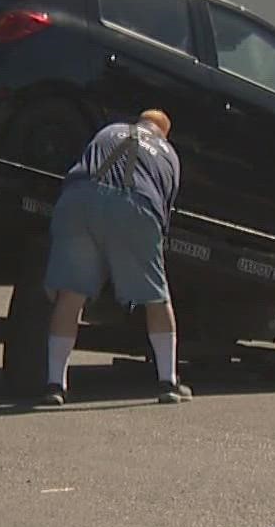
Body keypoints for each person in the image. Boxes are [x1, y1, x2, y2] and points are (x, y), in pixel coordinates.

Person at [40, 109, 192, 406]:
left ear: (139, 122)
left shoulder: (110, 131)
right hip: (133, 206)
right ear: (164, 132)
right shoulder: (168, 153)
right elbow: (164, 210)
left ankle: (55, 385)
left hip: (78, 202)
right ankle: (168, 382)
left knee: (70, 296)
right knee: (156, 298)